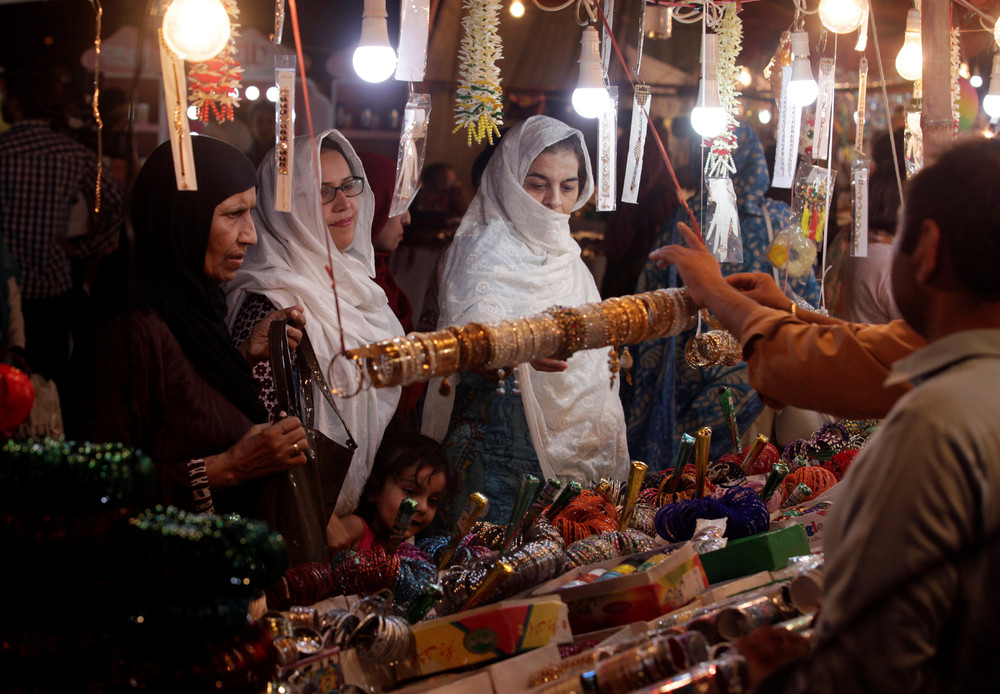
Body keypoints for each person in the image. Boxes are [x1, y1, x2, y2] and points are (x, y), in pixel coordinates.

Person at [670, 138, 1000, 692]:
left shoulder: (937, 426)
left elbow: (873, 666)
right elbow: (874, 349)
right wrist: (783, 310)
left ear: (931, 248)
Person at [71, 136, 308, 516]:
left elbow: (176, 408)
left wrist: (243, 356)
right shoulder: (130, 327)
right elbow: (99, 485)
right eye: (233, 214)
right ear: (182, 216)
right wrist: (232, 467)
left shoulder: (193, 305)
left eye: (250, 213)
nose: (251, 235)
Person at [422, 115, 628, 524]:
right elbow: (472, 335)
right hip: (499, 449)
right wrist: (522, 348)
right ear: (510, 180)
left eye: (567, 186)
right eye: (537, 184)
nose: (554, 200)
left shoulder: (570, 258)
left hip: (577, 450)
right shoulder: (482, 250)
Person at [227, 130, 403, 516]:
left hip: (346, 517)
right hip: (294, 517)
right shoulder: (271, 302)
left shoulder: (361, 290)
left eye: (348, 186)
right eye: (322, 192)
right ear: (287, 206)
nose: (344, 203)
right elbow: (263, 428)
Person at [626, 122, 821, 469]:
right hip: (763, 374)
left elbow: (651, 300)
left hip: (689, 371)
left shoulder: (683, 219)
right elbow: (808, 296)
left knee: (696, 482)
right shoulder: (777, 219)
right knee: (756, 479)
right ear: (754, 161)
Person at [649, 222, 925, 419]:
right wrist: (788, 309)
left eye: (900, 234)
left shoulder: (941, 354)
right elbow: (870, 343)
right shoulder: (944, 341)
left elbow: (817, 360)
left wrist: (716, 291)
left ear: (931, 246)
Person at [0, 64, 125, 399]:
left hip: (6, 289)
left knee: (6, 390)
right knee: (52, 383)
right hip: (53, 285)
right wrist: (85, 248)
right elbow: (117, 201)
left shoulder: (3, 148)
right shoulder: (72, 153)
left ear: (15, 103)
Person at [357, 150, 425, 427]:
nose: (407, 219)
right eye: (397, 205)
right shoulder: (347, 286)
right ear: (369, 204)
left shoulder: (380, 276)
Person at [326, 429, 457, 553]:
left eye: (433, 501)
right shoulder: (356, 529)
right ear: (375, 490)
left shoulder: (408, 552)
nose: (423, 508)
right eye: (410, 492)